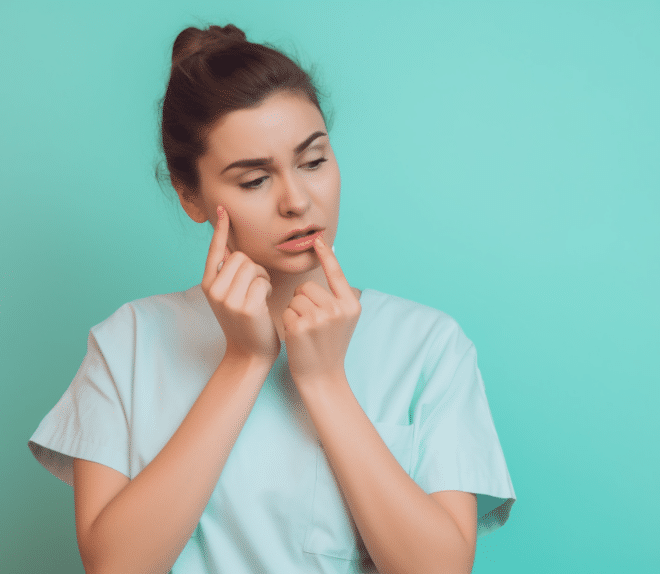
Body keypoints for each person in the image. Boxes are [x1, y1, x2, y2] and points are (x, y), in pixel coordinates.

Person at [28, 23, 516, 574]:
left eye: (313, 162)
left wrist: (325, 381)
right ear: (192, 196)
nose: (297, 201)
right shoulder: (129, 342)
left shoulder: (429, 344)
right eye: (255, 180)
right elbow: (115, 567)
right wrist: (244, 360)